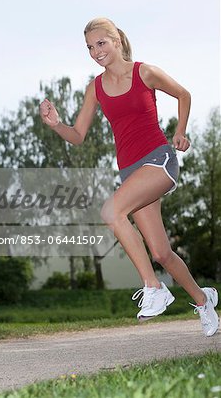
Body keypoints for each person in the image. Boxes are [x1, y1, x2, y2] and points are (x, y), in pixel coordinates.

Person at [39, 17, 219, 337]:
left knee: (111, 211)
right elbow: (78, 135)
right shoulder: (95, 88)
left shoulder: (144, 72)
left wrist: (180, 131)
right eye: (90, 47)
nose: (96, 52)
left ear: (117, 41)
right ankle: (204, 301)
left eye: (101, 43)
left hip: (159, 160)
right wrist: (55, 124)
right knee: (161, 253)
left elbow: (184, 94)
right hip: (130, 171)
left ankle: (154, 287)